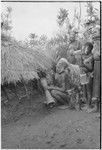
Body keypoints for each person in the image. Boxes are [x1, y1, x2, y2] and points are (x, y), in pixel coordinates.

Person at [80, 42, 94, 111]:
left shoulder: (91, 56)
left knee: (89, 91)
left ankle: (89, 105)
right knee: (84, 90)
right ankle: (86, 104)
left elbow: (91, 68)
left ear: (90, 49)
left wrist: (84, 64)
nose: (85, 49)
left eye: (87, 48)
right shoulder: (83, 55)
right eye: (84, 47)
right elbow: (81, 64)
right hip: (83, 75)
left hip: (89, 75)